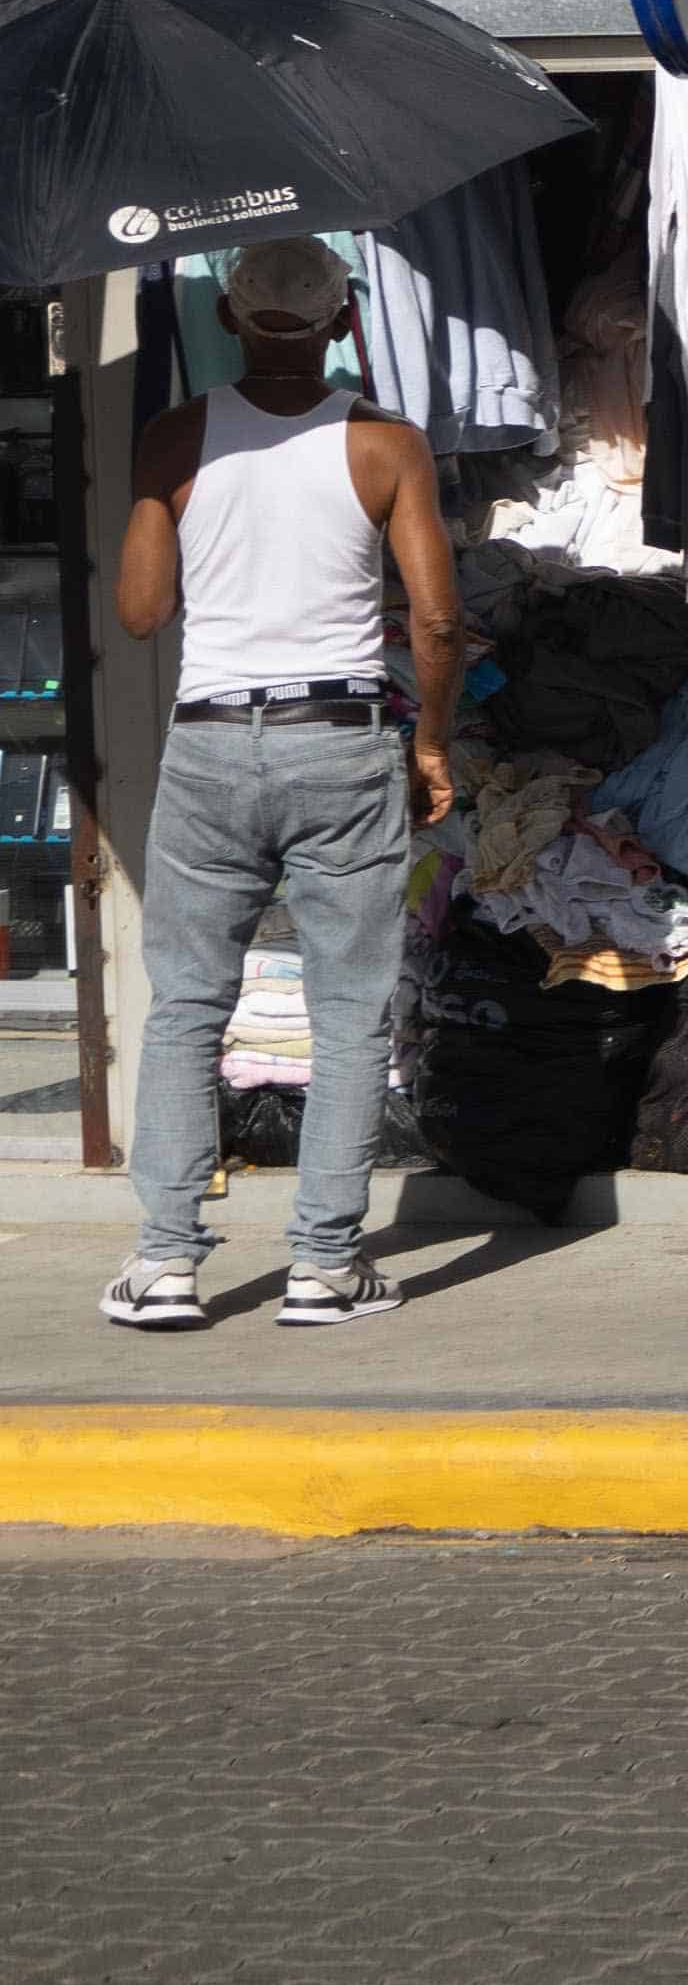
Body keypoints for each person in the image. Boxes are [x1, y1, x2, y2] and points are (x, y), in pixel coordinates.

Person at [101, 236, 459, 1332]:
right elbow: (438, 619)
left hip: (211, 739)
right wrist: (432, 744)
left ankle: (165, 1264)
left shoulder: (176, 437)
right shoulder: (386, 443)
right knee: (347, 1011)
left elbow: (141, 612)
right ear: (348, 322)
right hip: (339, 734)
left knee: (187, 1006)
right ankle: (325, 1266)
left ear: (231, 321)